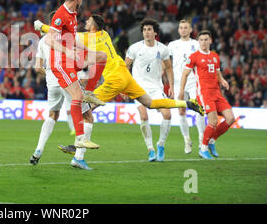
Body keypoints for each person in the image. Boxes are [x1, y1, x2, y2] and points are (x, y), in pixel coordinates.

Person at [36, 15, 205, 159]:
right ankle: (187, 104)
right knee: (151, 103)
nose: (85, 23)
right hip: (125, 74)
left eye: (88, 21)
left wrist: (42, 27)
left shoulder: (90, 37)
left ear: (94, 25)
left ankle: (77, 147)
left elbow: (64, 35)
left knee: (84, 109)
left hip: (114, 79)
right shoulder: (105, 34)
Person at [44, 0, 106, 150]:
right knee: (77, 97)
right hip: (61, 63)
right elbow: (49, 40)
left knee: (101, 56)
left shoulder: (73, 14)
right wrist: (67, 51)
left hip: (72, 59)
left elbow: (71, 38)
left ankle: (90, 92)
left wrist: (84, 49)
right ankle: (80, 138)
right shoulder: (60, 14)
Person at [31, 14, 95, 170]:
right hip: (68, 80)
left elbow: (37, 67)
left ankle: (38, 151)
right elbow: (81, 60)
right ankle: (79, 158)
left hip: (52, 82)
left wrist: (51, 76)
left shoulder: (42, 41)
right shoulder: (71, 38)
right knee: (87, 116)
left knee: (52, 115)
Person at [125, 18, 178, 162]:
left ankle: (160, 145)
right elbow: (125, 67)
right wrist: (125, 87)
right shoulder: (134, 48)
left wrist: (171, 87)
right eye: (144, 30)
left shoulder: (162, 49)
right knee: (144, 116)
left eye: (149, 30)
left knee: (167, 115)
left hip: (156, 89)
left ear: (155, 32)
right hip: (139, 88)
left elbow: (168, 67)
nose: (146, 32)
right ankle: (150, 149)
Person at [180, 30, 235, 159]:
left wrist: (222, 81)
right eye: (201, 40)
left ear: (210, 41)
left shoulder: (215, 56)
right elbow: (185, 74)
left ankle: (211, 141)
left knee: (230, 118)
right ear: (198, 42)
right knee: (213, 121)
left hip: (217, 92)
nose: (204, 42)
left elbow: (217, 73)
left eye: (206, 39)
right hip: (204, 93)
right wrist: (181, 90)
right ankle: (203, 148)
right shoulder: (194, 56)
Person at [167, 20, 204, 154]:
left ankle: (201, 139)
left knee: (199, 109)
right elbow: (167, 65)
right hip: (178, 82)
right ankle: (187, 140)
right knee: (181, 111)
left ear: (190, 30)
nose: (183, 30)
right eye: (181, 28)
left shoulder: (196, 44)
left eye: (186, 28)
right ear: (178, 30)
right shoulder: (172, 45)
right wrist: (169, 84)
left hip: (193, 81)